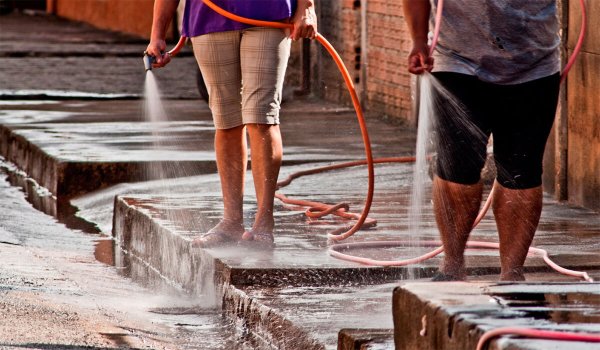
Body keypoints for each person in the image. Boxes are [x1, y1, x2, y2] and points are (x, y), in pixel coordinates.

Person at [403, 0, 561, 281]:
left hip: (533, 63)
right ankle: (452, 265)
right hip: (456, 61)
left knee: (521, 171)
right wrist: (417, 40)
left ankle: (512, 274)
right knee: (457, 167)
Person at [146, 0, 317, 248]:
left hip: (268, 14)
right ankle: (231, 222)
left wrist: (306, 7)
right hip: (209, 19)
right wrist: (157, 35)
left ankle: (264, 223)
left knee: (262, 117)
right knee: (226, 121)